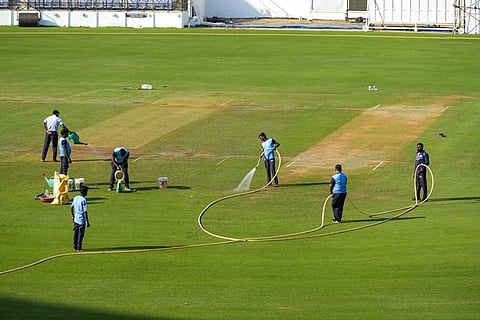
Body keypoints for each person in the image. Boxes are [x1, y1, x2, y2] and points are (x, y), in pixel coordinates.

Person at [71, 185, 90, 252]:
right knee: (81, 234)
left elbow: (72, 207)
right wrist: (87, 221)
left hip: (76, 219)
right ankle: (79, 248)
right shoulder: (84, 200)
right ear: (85, 192)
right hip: (81, 220)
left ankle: (74, 246)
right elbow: (85, 211)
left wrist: (73, 216)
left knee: (75, 233)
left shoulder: (76, 198)